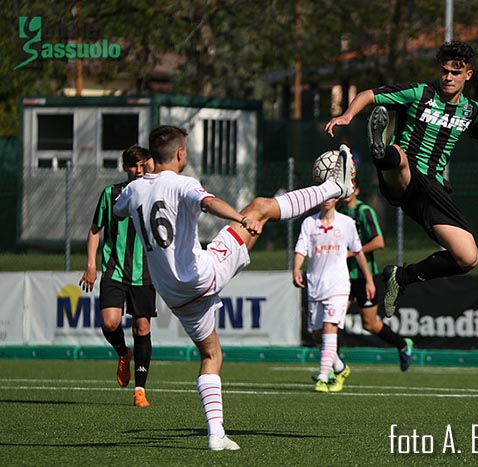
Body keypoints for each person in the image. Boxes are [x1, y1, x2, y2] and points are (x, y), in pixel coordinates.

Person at [113, 125, 354, 451]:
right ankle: (334, 187)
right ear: (180, 154)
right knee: (259, 207)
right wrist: (241, 220)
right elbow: (210, 203)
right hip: (203, 275)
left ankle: (216, 434)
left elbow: (119, 209)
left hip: (173, 295)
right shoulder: (183, 183)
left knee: (211, 354)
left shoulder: (133, 190)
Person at [325, 41, 478, 317]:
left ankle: (401, 277)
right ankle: (380, 151)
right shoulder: (420, 93)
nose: (448, 77)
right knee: (400, 158)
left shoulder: (471, 111)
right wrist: (347, 115)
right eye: (444, 71)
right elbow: (369, 94)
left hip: (432, 190)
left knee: (468, 257)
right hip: (402, 177)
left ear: (468, 75)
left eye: (455, 72)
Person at [79, 145, 156, 408]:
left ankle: (140, 390)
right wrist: (91, 265)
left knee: (142, 327)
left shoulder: (155, 194)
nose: (139, 170)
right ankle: (123, 353)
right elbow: (95, 229)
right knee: (110, 323)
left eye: (143, 164)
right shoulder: (111, 194)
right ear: (125, 167)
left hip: (145, 272)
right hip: (114, 269)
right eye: (133, 165)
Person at [293, 197, 375, 393]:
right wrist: (296, 269)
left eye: (330, 196)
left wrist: (369, 280)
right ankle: (339, 368)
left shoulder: (346, 223)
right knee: (317, 335)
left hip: (338, 286)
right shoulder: (309, 223)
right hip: (315, 286)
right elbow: (300, 250)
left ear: (336, 199)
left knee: (330, 327)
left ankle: (323, 377)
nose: (326, 200)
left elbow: (358, 252)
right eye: (323, 196)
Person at [338, 180, 414, 370]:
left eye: (350, 188)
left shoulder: (364, 212)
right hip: (342, 277)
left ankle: (402, 344)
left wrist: (353, 252)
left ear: (357, 190)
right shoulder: (337, 212)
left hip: (364, 277)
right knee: (334, 321)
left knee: (369, 324)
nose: (347, 192)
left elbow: (379, 242)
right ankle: (333, 367)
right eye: (344, 188)